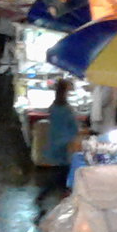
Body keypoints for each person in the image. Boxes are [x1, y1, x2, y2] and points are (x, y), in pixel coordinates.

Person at [39, 82, 80, 210]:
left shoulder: (54, 107)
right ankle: (47, 195)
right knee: (61, 173)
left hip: (54, 142)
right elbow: (73, 128)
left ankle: (51, 195)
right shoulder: (67, 109)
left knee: (59, 172)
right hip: (64, 144)